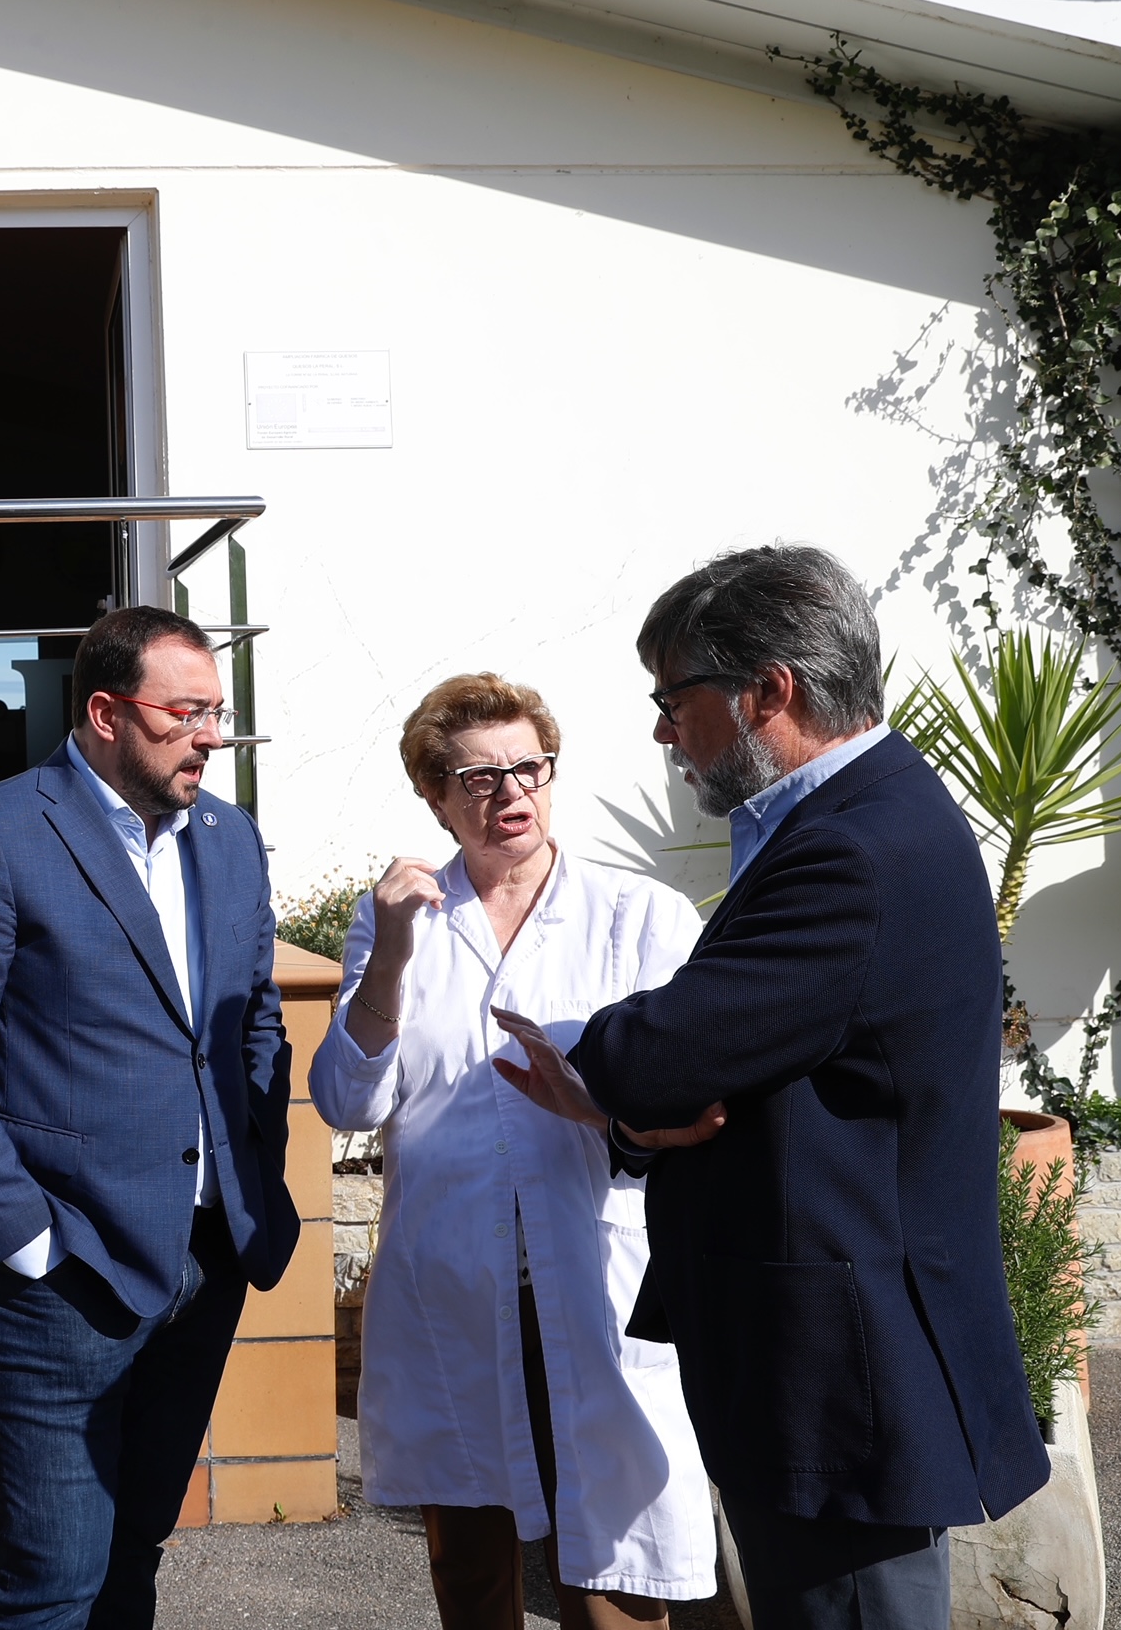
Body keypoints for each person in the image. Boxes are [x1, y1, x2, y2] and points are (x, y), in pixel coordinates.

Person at [494, 546, 1049, 1630]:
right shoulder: (860, 814)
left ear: (768, 691)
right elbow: (767, 1070)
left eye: (674, 700)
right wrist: (648, 1117)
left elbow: (674, 1052)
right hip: (829, 1357)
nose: (665, 733)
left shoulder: (852, 847)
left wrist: (591, 1063)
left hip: (844, 1375)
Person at [0, 604, 299, 1630]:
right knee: (53, 1577)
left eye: (218, 712)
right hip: (63, 1272)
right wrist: (28, 1244)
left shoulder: (229, 840)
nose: (210, 735)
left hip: (208, 1253)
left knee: (134, 1548)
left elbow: (254, 1027)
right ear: (108, 714)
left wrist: (251, 1180)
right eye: (185, 713)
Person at [309, 673, 722, 1630]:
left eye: (529, 768)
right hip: (451, 1286)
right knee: (471, 1574)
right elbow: (347, 1101)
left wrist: (593, 1103)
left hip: (599, 1282)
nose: (511, 793)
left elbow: (698, 1104)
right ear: (435, 797)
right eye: (478, 778)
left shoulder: (642, 916)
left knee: (616, 1581)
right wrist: (392, 957)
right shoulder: (394, 922)